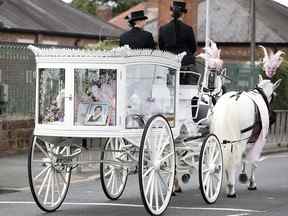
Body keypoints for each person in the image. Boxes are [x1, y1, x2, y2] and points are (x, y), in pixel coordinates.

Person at [159, 1, 197, 84]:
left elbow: (161, 48)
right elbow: (193, 48)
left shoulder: (163, 29)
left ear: (171, 13)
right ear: (183, 14)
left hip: (168, 63)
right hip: (186, 64)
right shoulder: (188, 29)